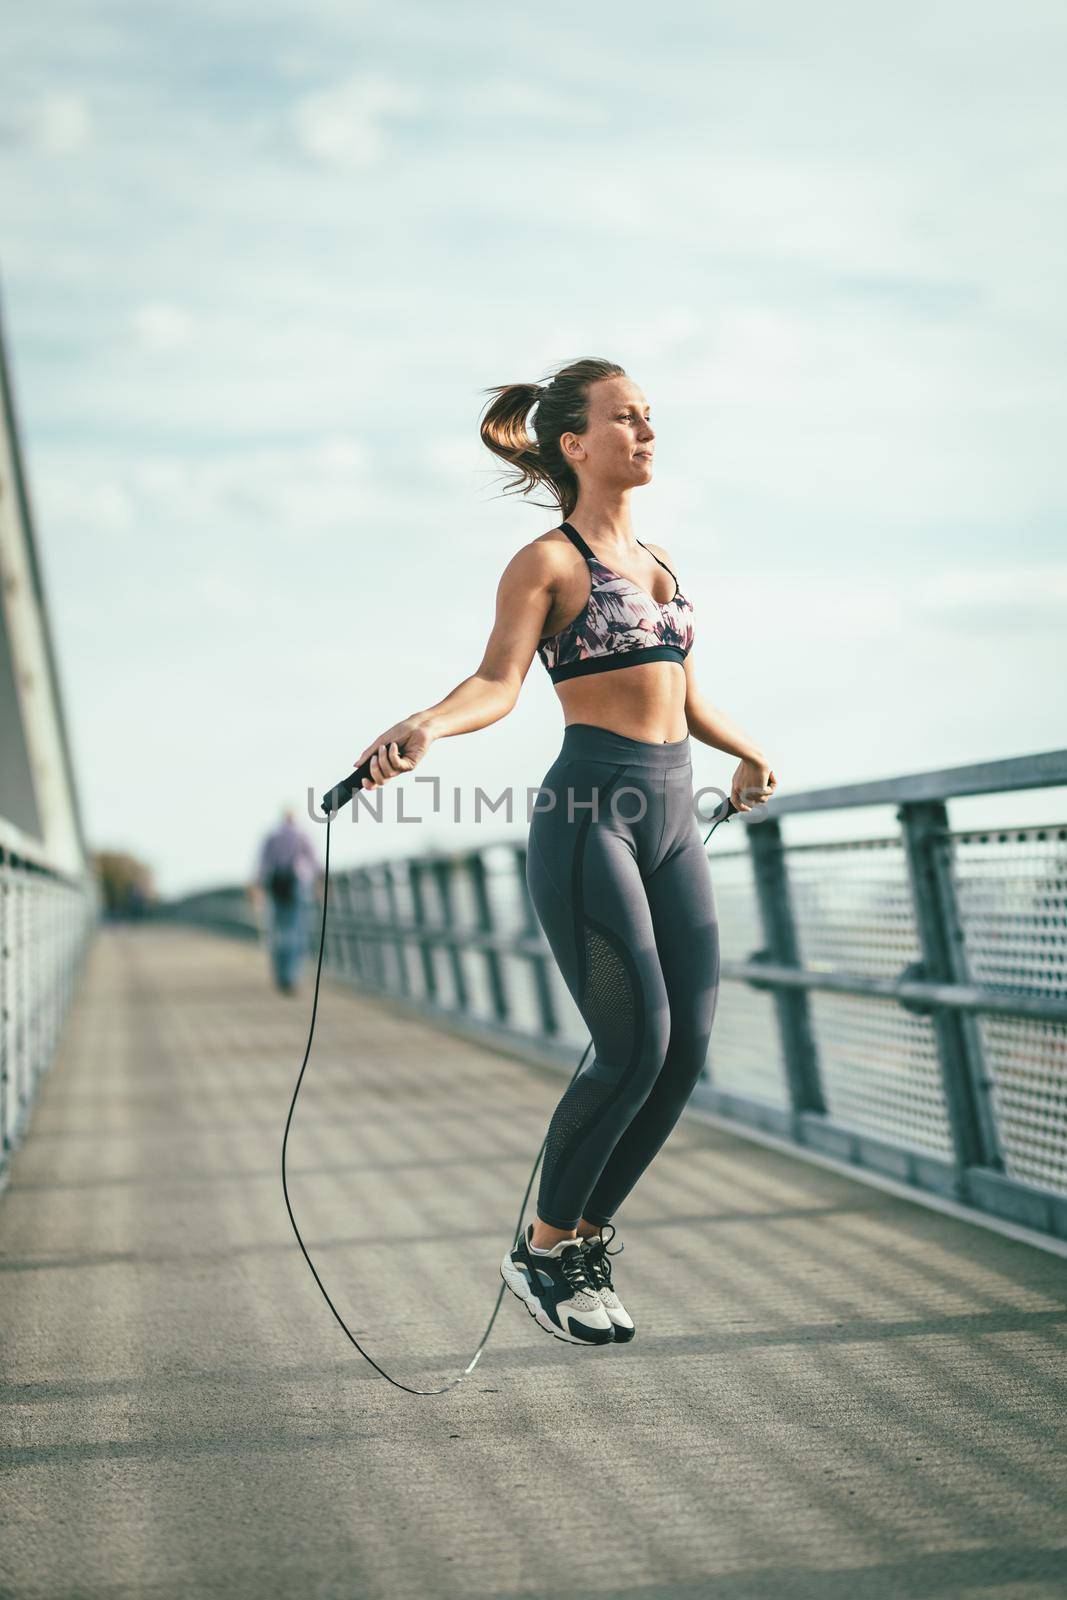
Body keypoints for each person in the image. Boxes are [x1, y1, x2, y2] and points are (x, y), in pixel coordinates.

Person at [350, 357, 776, 1347]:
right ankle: (544, 1252)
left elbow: (682, 690)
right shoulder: (546, 561)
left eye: (648, 416)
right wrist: (423, 724)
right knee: (630, 1044)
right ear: (574, 444)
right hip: (592, 816)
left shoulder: (661, 562)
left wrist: (746, 749)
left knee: (681, 1058)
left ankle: (579, 1238)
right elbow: (496, 681)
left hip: (673, 817)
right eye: (623, 419)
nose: (644, 431)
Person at [249, 806, 321, 995]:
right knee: (296, 931)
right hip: (297, 886)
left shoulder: (272, 837)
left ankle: (281, 975)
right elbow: (314, 862)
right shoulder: (302, 835)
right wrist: (320, 885)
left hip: (275, 887)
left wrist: (257, 887)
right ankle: (292, 975)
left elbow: (263, 864)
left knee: (277, 932)